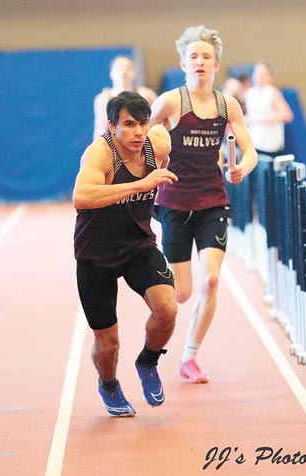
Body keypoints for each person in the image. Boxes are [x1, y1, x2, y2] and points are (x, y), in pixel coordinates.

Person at [150, 25, 258, 383]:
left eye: (206, 57)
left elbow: (250, 149)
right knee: (181, 294)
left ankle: (190, 357)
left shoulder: (227, 105)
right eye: (193, 57)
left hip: (213, 200)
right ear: (183, 63)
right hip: (174, 203)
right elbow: (136, 138)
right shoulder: (169, 102)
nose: (200, 62)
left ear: (217, 65)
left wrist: (242, 166)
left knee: (211, 279)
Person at [73, 91, 179, 417]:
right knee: (108, 344)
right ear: (111, 126)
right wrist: (139, 185)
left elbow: (174, 158)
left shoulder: (157, 144)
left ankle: (148, 361)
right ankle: (108, 384)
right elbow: (81, 196)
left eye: (142, 124)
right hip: (96, 254)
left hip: (138, 245)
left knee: (168, 308)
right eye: (128, 124)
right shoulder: (100, 153)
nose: (137, 132)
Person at [93, 55, 158, 139]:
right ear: (111, 73)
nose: (123, 71)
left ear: (134, 73)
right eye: (119, 68)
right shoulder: (103, 99)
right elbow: (100, 129)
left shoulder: (147, 95)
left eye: (128, 68)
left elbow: (157, 123)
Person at [244, 62, 294, 156]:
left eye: (264, 74)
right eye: (258, 74)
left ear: (269, 77)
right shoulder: (249, 93)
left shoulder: (272, 92)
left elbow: (287, 115)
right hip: (254, 144)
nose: (260, 77)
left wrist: (261, 119)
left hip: (270, 145)